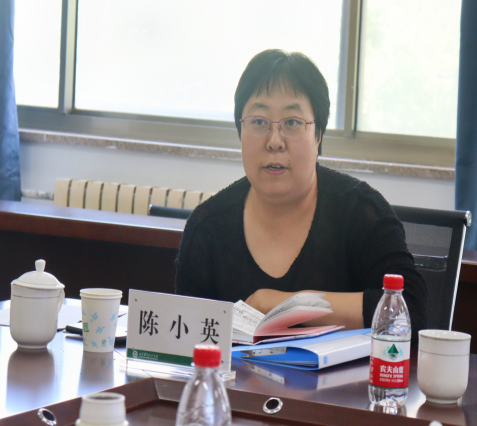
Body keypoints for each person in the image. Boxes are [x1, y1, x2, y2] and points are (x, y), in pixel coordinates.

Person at [176, 49, 427, 336]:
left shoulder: (361, 212)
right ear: (239, 131)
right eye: (258, 122)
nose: (274, 141)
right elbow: (184, 337)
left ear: (318, 134)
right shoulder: (208, 226)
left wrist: (292, 305)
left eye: (292, 123)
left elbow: (411, 310)